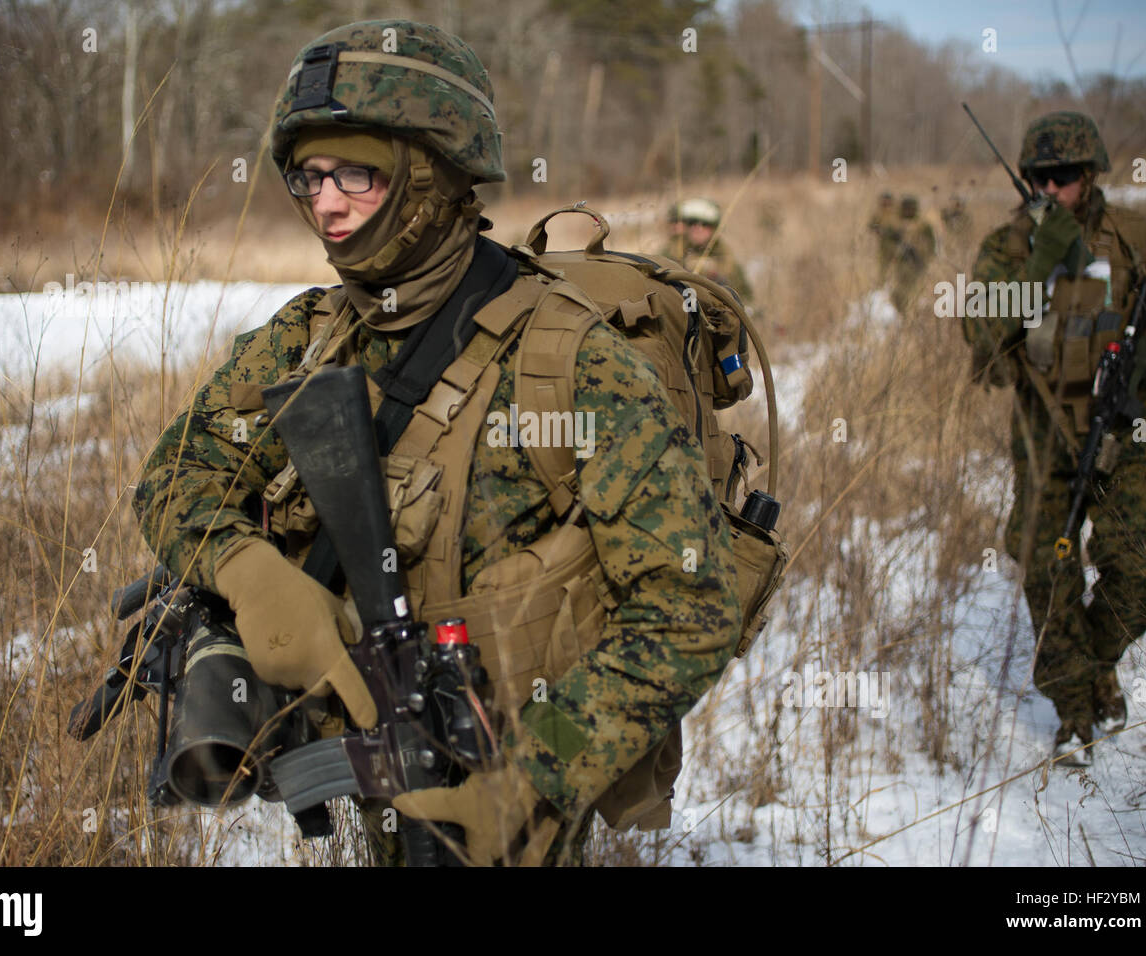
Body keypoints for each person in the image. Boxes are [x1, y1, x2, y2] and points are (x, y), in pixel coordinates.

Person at [131, 19, 741, 864]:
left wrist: (538, 769)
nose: (327, 203)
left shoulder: (569, 362)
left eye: (357, 172)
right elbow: (174, 476)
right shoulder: (308, 338)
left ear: (432, 174)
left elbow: (689, 608)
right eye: (308, 177)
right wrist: (245, 566)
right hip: (374, 767)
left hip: (522, 792)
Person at [962, 111, 1146, 765]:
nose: (1049, 189)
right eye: (1038, 177)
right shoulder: (1006, 250)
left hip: (1127, 426)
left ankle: (1091, 664)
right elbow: (981, 342)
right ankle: (1075, 706)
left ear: (1090, 175)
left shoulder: (1138, 236)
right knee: (1046, 571)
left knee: (1143, 574)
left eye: (1062, 177)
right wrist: (1041, 258)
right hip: (1044, 434)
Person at [662, 197, 753, 303]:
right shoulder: (671, 253)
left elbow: (745, 298)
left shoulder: (727, 260)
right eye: (693, 223)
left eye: (705, 224)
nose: (698, 228)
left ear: (715, 229)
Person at [887, 195, 936, 312]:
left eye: (911, 208)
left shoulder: (923, 225)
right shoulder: (895, 224)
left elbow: (931, 245)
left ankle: (911, 314)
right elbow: (887, 243)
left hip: (917, 264)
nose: (908, 211)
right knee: (898, 292)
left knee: (914, 292)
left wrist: (924, 257)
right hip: (900, 263)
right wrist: (897, 250)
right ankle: (901, 313)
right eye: (906, 208)